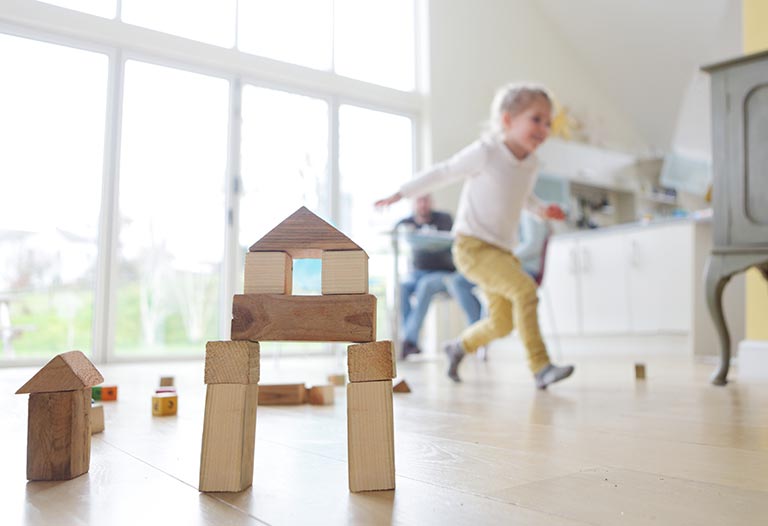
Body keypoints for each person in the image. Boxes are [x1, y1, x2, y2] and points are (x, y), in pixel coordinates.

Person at [376, 83, 574, 389]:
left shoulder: (531, 164)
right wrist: (402, 193)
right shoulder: (486, 152)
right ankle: (541, 367)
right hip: (472, 248)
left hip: (501, 251)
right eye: (536, 119)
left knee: (502, 322)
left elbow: (524, 198)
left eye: (548, 123)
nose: (544, 129)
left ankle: (457, 348)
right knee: (525, 291)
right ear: (508, 120)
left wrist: (543, 210)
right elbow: (443, 171)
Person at [397, 195, 481, 359]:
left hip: (442, 273)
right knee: (401, 287)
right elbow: (398, 234)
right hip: (417, 274)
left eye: (426, 200)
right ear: (414, 204)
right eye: (419, 201)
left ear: (431, 202)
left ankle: (409, 340)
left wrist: (426, 240)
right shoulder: (407, 222)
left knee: (425, 285)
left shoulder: (444, 219)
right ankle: (409, 338)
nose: (422, 204)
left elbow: (449, 241)